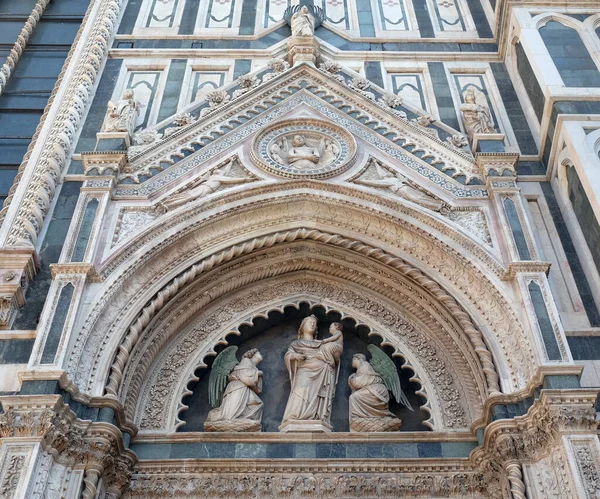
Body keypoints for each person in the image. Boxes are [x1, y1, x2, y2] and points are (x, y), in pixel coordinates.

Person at [281, 316, 344, 426]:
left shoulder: (321, 343)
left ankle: (316, 416)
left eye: (314, 323)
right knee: (300, 391)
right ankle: (295, 417)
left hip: (322, 372)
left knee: (317, 395)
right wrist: (295, 356)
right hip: (304, 370)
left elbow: (334, 356)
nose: (312, 325)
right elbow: (288, 355)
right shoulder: (296, 343)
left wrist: (330, 361)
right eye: (309, 322)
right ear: (302, 326)